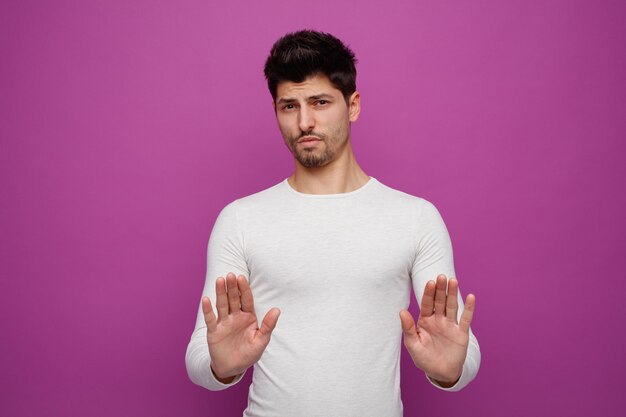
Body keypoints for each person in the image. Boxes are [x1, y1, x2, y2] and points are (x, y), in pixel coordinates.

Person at [185, 29, 480, 417]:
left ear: (353, 105)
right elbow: (199, 357)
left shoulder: (415, 218)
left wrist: (449, 370)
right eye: (289, 106)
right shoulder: (241, 220)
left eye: (320, 102)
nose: (305, 121)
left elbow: (463, 350)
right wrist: (223, 366)